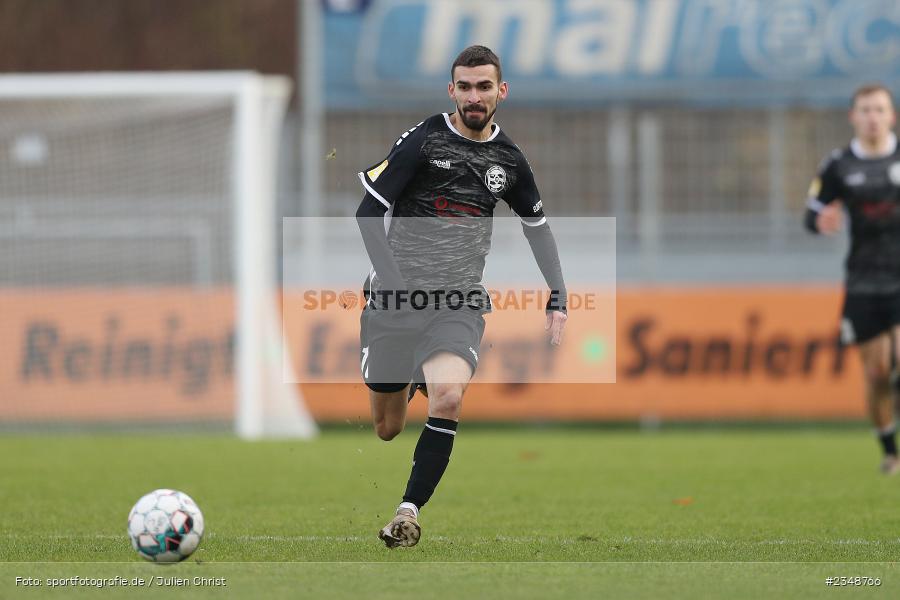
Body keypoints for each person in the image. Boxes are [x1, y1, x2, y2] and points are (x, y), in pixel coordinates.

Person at [355, 45, 568, 547]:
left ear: (502, 91)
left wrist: (558, 295)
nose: (475, 96)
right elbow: (368, 213)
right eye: (465, 86)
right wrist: (392, 284)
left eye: (484, 86)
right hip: (394, 301)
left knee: (449, 396)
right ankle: (406, 378)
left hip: (458, 303)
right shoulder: (423, 140)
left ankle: (407, 513)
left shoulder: (509, 161)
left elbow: (537, 228)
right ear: (452, 90)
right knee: (387, 428)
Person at [804, 83, 900, 474]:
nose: (872, 117)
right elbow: (810, 210)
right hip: (862, 281)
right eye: (865, 110)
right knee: (877, 374)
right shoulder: (838, 165)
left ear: (891, 115)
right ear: (853, 117)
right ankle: (890, 452)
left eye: (879, 109)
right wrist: (819, 219)